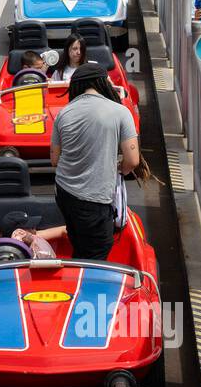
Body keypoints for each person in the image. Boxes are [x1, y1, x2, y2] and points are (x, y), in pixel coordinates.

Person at [49, 62, 140, 260]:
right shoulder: (120, 111)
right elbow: (133, 160)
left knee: (79, 240)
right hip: (94, 198)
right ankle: (86, 286)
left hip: (64, 192)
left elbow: (55, 159)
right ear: (102, 83)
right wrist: (118, 170)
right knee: (98, 250)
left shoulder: (63, 113)